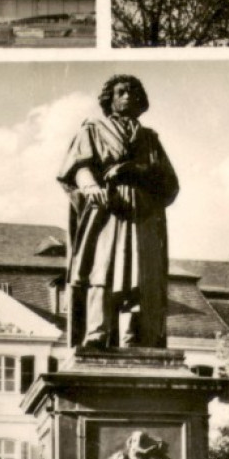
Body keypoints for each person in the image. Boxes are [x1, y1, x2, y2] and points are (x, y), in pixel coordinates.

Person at [57, 74, 179, 349]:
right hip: (108, 210)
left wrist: (139, 171)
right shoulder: (93, 129)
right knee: (102, 270)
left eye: (133, 93)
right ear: (109, 100)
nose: (128, 97)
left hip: (143, 212)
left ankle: (134, 336)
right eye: (121, 92)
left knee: (142, 274)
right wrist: (90, 187)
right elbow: (78, 166)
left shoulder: (149, 138)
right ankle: (97, 332)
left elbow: (169, 182)